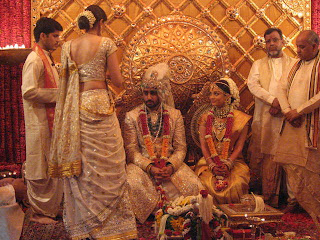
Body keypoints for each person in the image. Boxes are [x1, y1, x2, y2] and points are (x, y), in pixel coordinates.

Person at [48, 5, 137, 239]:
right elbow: (117, 80)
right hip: (100, 101)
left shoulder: (67, 46)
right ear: (99, 23)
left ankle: (86, 223)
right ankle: (111, 225)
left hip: (78, 105)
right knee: (110, 164)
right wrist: (110, 77)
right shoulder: (106, 43)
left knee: (85, 165)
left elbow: (67, 83)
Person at [124, 62, 203, 223]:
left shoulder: (175, 115)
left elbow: (181, 148)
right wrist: (149, 167)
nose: (149, 98)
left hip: (169, 163)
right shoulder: (131, 116)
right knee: (131, 183)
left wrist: (171, 165)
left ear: (162, 92)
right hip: (143, 165)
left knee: (193, 184)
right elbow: (132, 151)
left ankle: (179, 210)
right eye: (145, 93)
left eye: (153, 93)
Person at [275, 30, 320, 228]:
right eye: (297, 46)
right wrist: (287, 111)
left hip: (312, 124)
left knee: (312, 169)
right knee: (293, 166)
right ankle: (299, 203)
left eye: (302, 47)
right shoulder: (293, 64)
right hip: (292, 123)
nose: (298, 50)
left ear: (315, 46)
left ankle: (315, 210)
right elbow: (280, 88)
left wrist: (299, 111)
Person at [21, 17, 63, 224]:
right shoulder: (35, 59)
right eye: (55, 36)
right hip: (39, 122)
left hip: (48, 122)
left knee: (50, 167)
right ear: (43, 36)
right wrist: (59, 94)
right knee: (40, 167)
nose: (58, 40)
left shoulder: (46, 57)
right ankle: (39, 212)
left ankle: (50, 209)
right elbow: (28, 91)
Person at [247, 28, 295, 207]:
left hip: (288, 116)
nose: (271, 44)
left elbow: (296, 87)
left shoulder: (293, 63)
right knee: (267, 154)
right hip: (266, 116)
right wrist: (271, 100)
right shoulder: (258, 64)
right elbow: (253, 85)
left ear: (283, 41)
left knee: (288, 155)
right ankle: (268, 196)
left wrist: (281, 105)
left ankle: (291, 198)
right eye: (268, 41)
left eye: (275, 40)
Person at [194, 78, 251, 204]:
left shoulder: (241, 119)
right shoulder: (205, 118)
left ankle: (232, 216)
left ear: (227, 96)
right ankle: (209, 216)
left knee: (237, 184)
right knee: (204, 183)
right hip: (208, 162)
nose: (211, 97)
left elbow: (239, 147)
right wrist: (212, 165)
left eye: (216, 94)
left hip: (233, 161)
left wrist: (227, 164)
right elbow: (204, 146)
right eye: (210, 94)